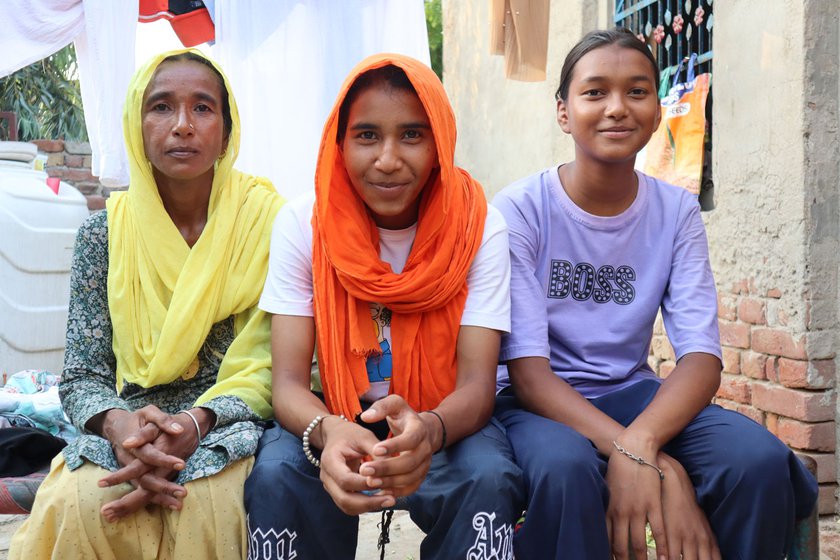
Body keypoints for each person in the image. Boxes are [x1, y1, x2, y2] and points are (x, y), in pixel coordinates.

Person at [492, 28, 818, 560]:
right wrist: (651, 460)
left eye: (637, 91)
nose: (617, 108)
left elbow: (701, 359)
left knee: (755, 461)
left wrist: (640, 443)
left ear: (657, 108)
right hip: (538, 406)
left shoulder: (676, 211)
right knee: (566, 470)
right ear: (563, 112)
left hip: (632, 393)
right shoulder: (521, 210)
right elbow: (529, 374)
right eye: (595, 92)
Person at [244, 53, 523, 559]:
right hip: (332, 412)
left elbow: (478, 387)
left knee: (488, 477)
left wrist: (428, 432)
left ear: (440, 143)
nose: (389, 159)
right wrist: (329, 431)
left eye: (413, 135)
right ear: (340, 142)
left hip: (443, 419)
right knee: (278, 476)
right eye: (367, 135)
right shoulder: (304, 225)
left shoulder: (477, 228)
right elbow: (285, 383)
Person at [9, 49, 283, 559]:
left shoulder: (267, 227)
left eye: (203, 108)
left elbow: (279, 363)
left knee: (206, 505)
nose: (182, 125)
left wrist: (197, 422)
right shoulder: (104, 233)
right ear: (137, 126)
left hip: (231, 424)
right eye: (161, 107)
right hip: (129, 423)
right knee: (78, 501)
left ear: (227, 130)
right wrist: (124, 430)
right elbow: (83, 373)